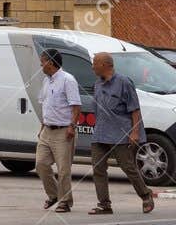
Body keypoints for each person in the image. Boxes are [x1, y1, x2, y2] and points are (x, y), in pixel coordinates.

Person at [89, 52, 155, 215]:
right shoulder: (97, 84)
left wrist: (134, 132)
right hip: (100, 133)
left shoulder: (124, 82)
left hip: (120, 134)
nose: (92, 66)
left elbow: (135, 109)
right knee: (98, 168)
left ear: (105, 65)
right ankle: (104, 204)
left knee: (128, 167)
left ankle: (146, 196)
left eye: (95, 63)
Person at [34, 49, 81, 212]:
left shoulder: (68, 80)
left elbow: (76, 106)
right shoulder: (46, 81)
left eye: (43, 61)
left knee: (63, 169)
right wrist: (41, 128)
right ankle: (54, 195)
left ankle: (65, 201)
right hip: (47, 130)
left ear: (51, 63)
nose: (41, 64)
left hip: (63, 130)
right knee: (40, 164)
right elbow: (45, 105)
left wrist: (72, 126)